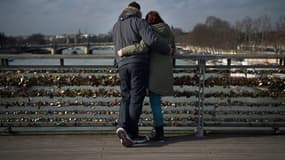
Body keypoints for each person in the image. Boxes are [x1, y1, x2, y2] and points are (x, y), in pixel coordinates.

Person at [113, 2, 171, 147]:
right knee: (136, 99)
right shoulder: (139, 22)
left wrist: (118, 63)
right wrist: (166, 48)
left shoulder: (116, 26)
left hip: (122, 64)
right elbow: (151, 40)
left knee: (125, 97)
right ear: (137, 11)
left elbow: (116, 46)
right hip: (137, 64)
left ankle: (121, 126)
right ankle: (131, 134)